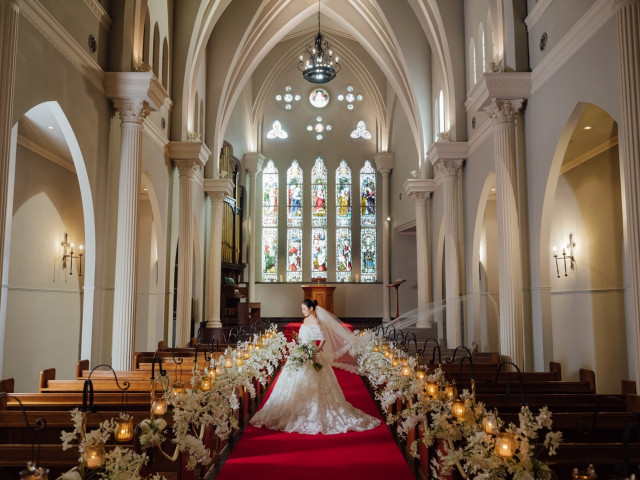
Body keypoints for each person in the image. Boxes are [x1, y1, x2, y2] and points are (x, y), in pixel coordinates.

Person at [249, 299, 380, 435]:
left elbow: (322, 339)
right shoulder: (305, 321)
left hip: (311, 354)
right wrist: (298, 348)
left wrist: (316, 350)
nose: (302, 311)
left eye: (304, 309)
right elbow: (302, 338)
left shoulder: (316, 322)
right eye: (302, 309)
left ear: (311, 309)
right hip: (301, 353)